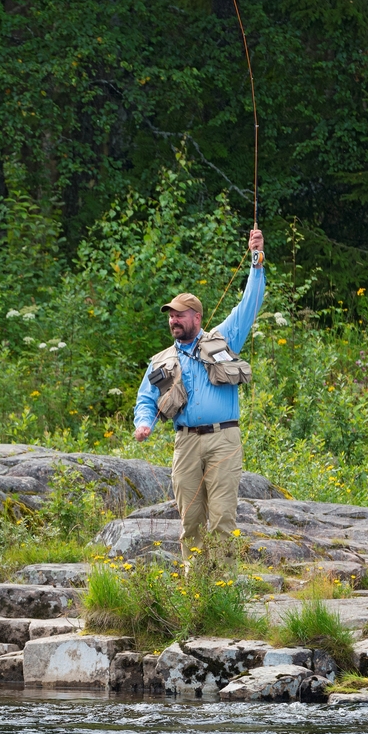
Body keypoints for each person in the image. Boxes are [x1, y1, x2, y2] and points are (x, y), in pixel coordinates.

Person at [133, 229, 266, 553]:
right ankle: (197, 591)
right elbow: (146, 399)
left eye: (179, 315)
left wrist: (256, 260)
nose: (174, 320)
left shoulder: (224, 338)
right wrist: (144, 422)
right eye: (171, 316)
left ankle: (222, 591)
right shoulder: (161, 360)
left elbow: (250, 303)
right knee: (190, 521)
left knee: (222, 520)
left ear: (197, 317)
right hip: (186, 442)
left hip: (224, 440)